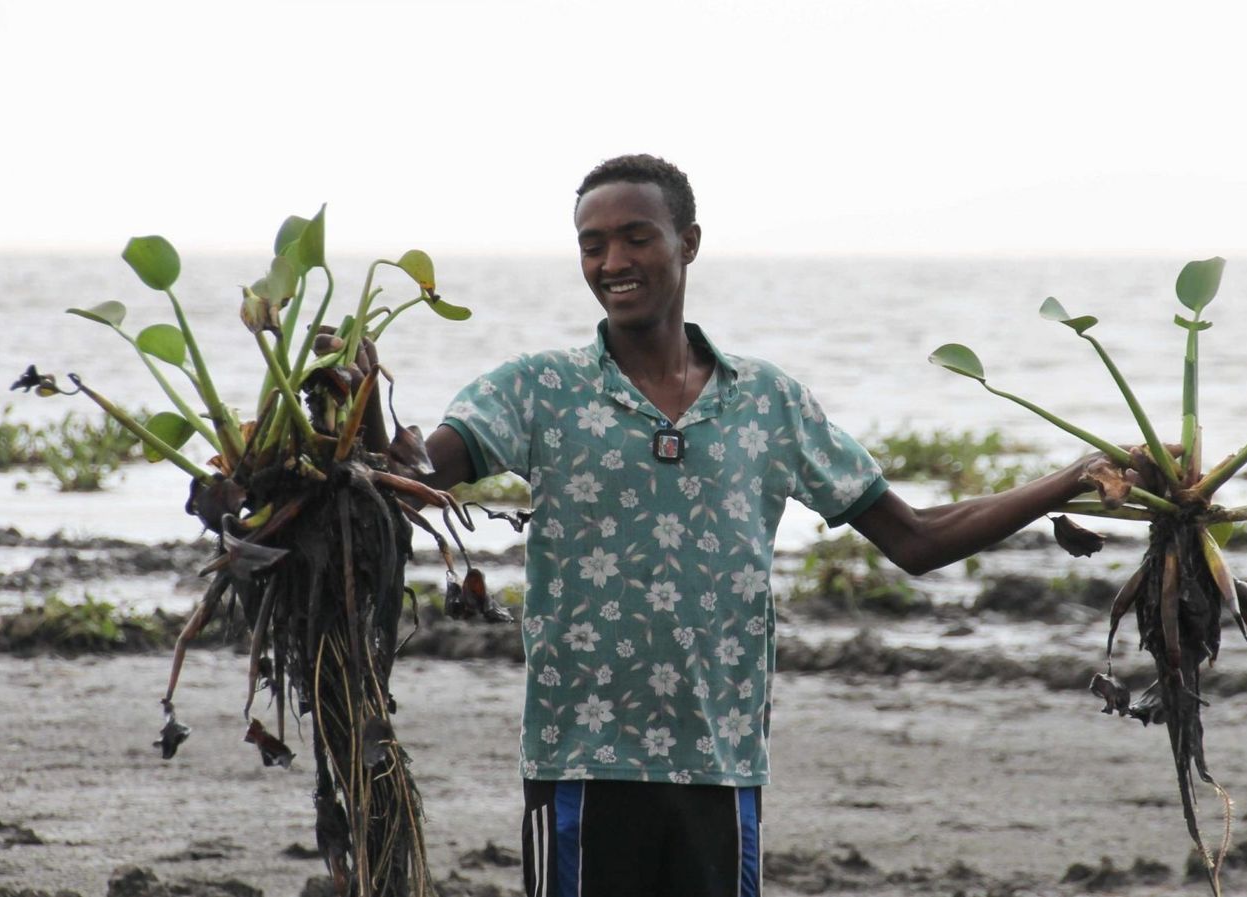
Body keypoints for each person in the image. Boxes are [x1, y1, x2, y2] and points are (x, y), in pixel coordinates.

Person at [419, 154, 1135, 897]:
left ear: (688, 241)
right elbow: (423, 464)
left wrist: (1073, 477)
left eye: (636, 237)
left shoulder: (767, 403)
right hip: (582, 762)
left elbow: (916, 538)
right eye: (591, 244)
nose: (612, 262)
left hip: (721, 764)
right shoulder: (538, 388)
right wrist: (353, 412)